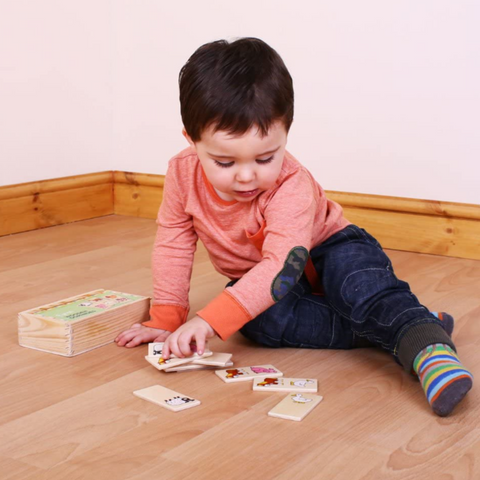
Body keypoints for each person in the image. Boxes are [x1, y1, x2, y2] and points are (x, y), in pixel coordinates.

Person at [115, 37, 473, 416]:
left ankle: (427, 347)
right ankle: (405, 326)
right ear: (192, 141)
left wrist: (207, 321)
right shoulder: (180, 172)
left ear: (286, 131)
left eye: (266, 157)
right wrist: (167, 318)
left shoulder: (292, 183)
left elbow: (280, 265)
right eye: (224, 162)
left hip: (332, 249)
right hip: (267, 280)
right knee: (259, 325)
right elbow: (173, 241)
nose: (247, 176)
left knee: (360, 289)